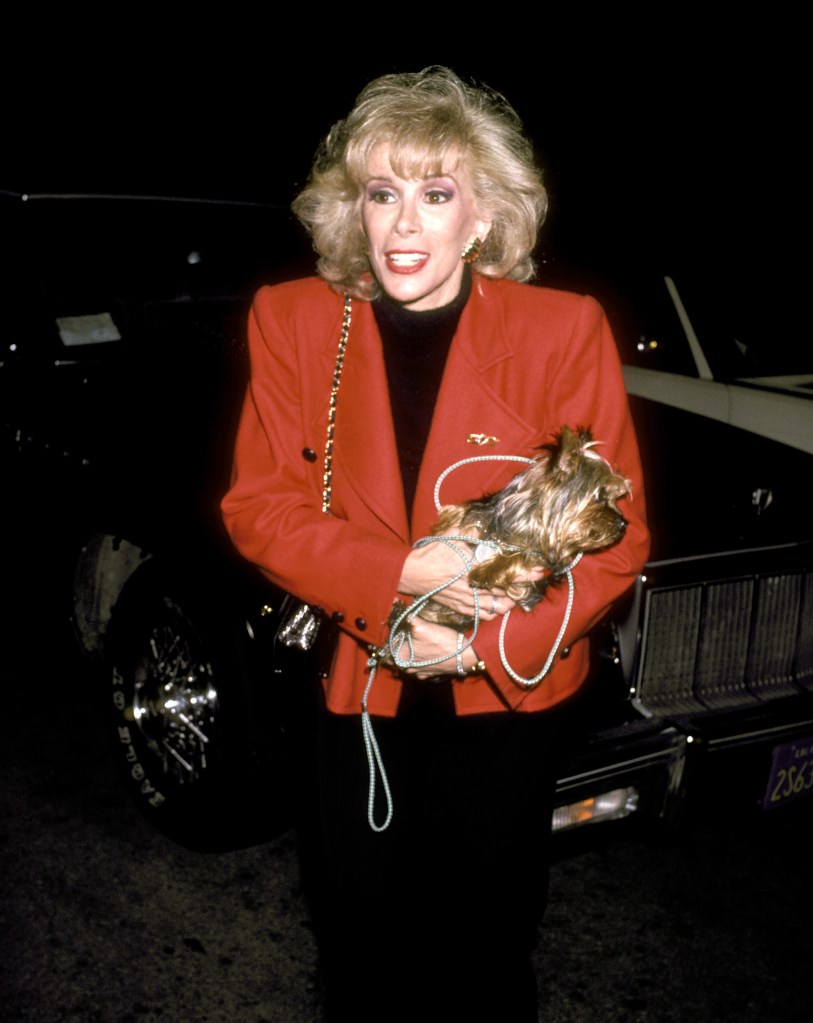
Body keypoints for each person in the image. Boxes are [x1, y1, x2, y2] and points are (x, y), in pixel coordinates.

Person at [221, 67, 649, 1023]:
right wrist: (397, 577)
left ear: (482, 217)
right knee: (358, 937)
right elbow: (259, 506)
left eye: (435, 194)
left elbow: (616, 539)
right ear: (352, 208)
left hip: (506, 696)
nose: (403, 226)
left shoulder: (560, 329)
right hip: (359, 686)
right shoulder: (294, 319)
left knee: (488, 947)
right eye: (382, 194)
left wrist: (487, 640)